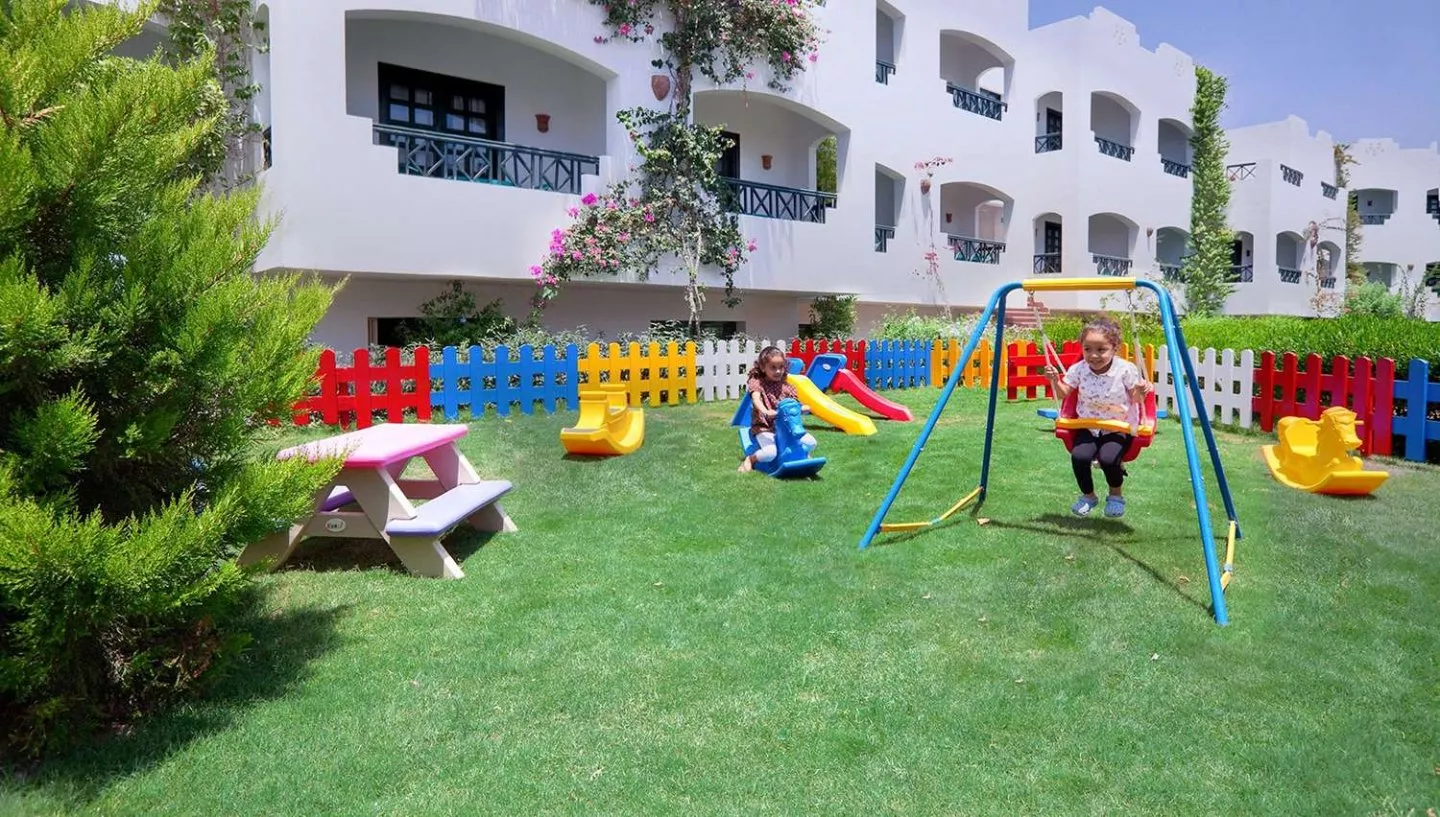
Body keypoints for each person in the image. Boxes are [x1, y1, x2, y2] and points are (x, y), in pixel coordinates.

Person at [1042, 317, 1153, 517]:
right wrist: (1055, 381)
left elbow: (1137, 399)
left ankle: (1116, 496)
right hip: (1088, 426)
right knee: (1079, 457)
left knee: (1109, 459)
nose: (1093, 355)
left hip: (1118, 426)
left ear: (1114, 348)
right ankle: (1088, 496)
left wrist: (1141, 390)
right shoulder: (1079, 369)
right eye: (1088, 349)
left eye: (1101, 350)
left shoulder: (1125, 369)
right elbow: (1063, 393)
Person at [738, 345, 817, 473]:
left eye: (781, 367)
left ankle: (803, 454)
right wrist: (765, 411)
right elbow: (756, 399)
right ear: (763, 368)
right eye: (773, 367)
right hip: (765, 427)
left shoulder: (786, 386)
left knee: (811, 442)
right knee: (770, 453)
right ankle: (751, 459)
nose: (778, 371)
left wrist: (801, 408)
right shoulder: (758, 383)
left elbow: (794, 404)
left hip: (785, 426)